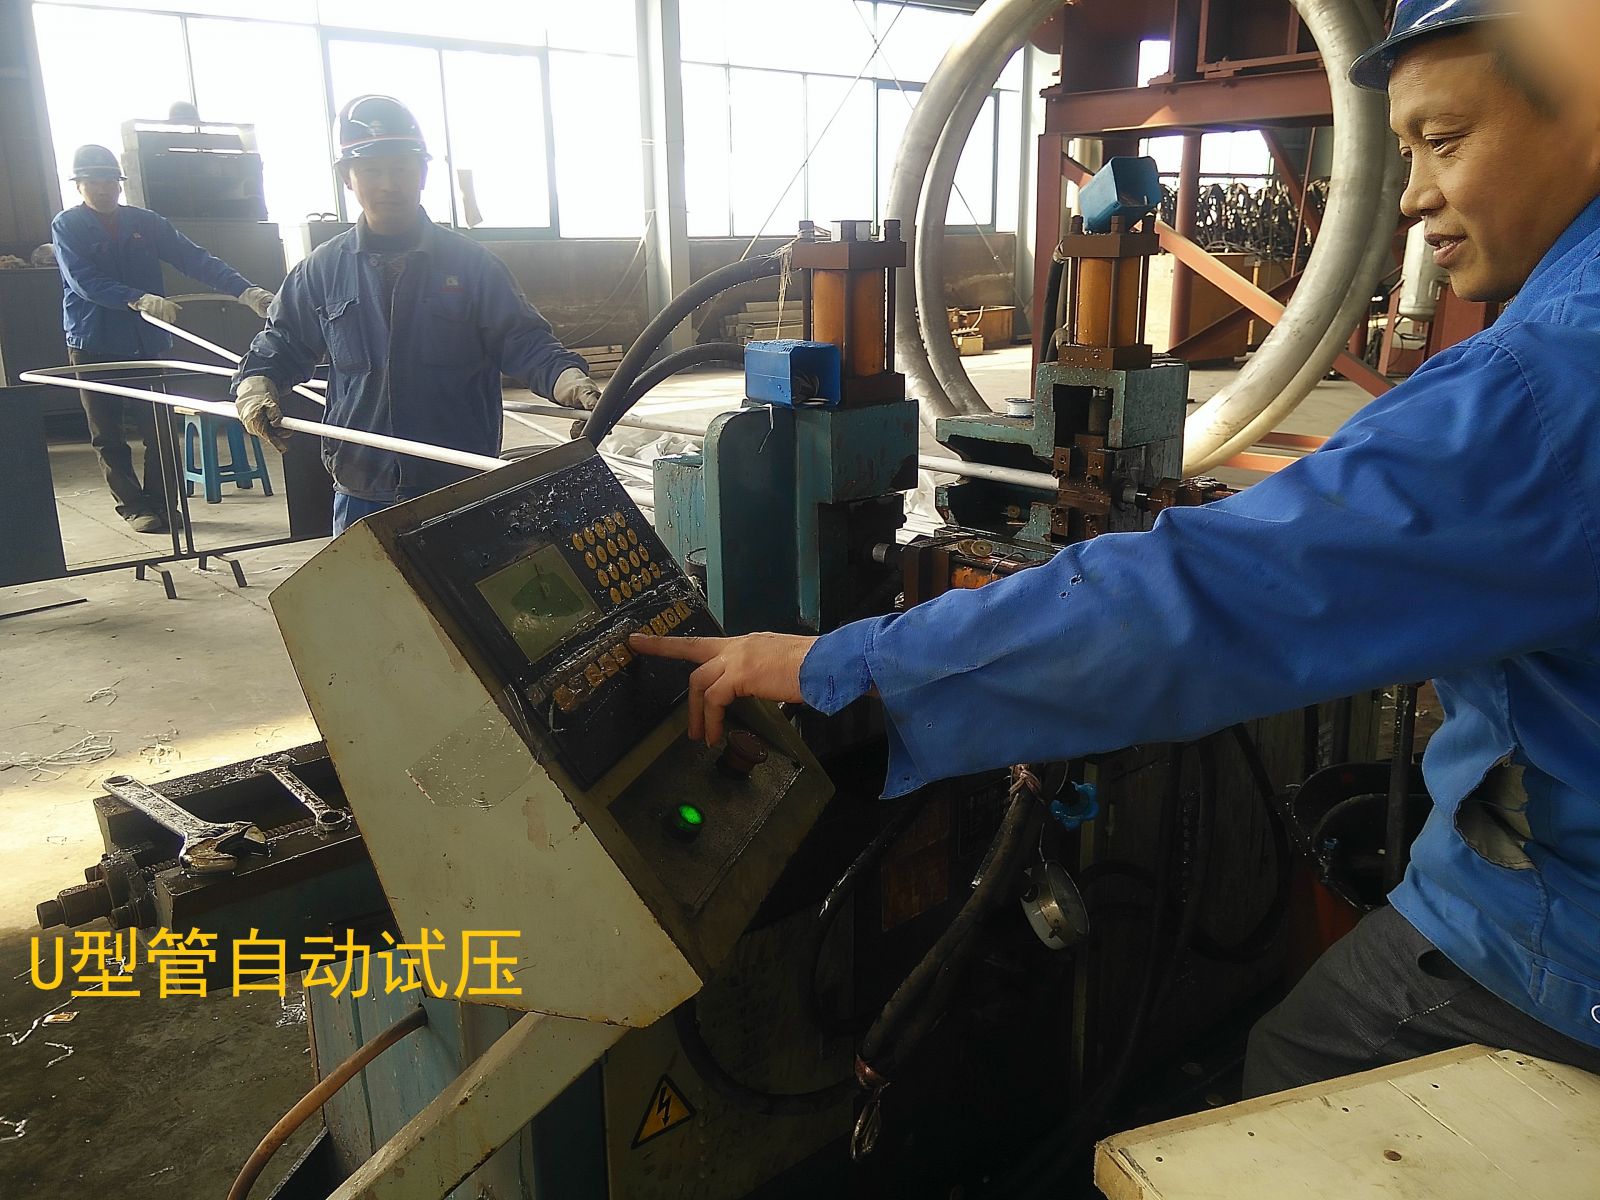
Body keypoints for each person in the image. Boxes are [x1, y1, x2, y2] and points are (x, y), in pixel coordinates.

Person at [633, 0, 1600, 1097]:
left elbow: (1209, 599)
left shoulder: (1545, 384)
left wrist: (844, 663)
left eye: (1445, 139)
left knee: (1293, 1075)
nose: (1414, 192)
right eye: (1407, 149)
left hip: (1561, 942)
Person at [233, 94, 603, 535]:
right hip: (361, 486)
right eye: (372, 170)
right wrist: (256, 386)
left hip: (458, 484)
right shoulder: (322, 271)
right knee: (364, 584)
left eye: (402, 169)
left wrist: (570, 383)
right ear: (347, 177)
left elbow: (523, 341)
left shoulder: (472, 266)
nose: (389, 184)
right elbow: (282, 344)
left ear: (423, 174)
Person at [52, 143, 275, 534]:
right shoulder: (67, 226)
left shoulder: (146, 223)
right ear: (79, 185)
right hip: (93, 342)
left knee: (160, 430)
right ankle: (133, 506)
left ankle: (161, 503)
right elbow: (82, 280)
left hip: (147, 344)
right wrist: (135, 297)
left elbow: (194, 258)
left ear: (119, 184)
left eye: (110, 181)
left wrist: (245, 291)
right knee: (108, 434)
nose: (103, 189)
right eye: (94, 182)